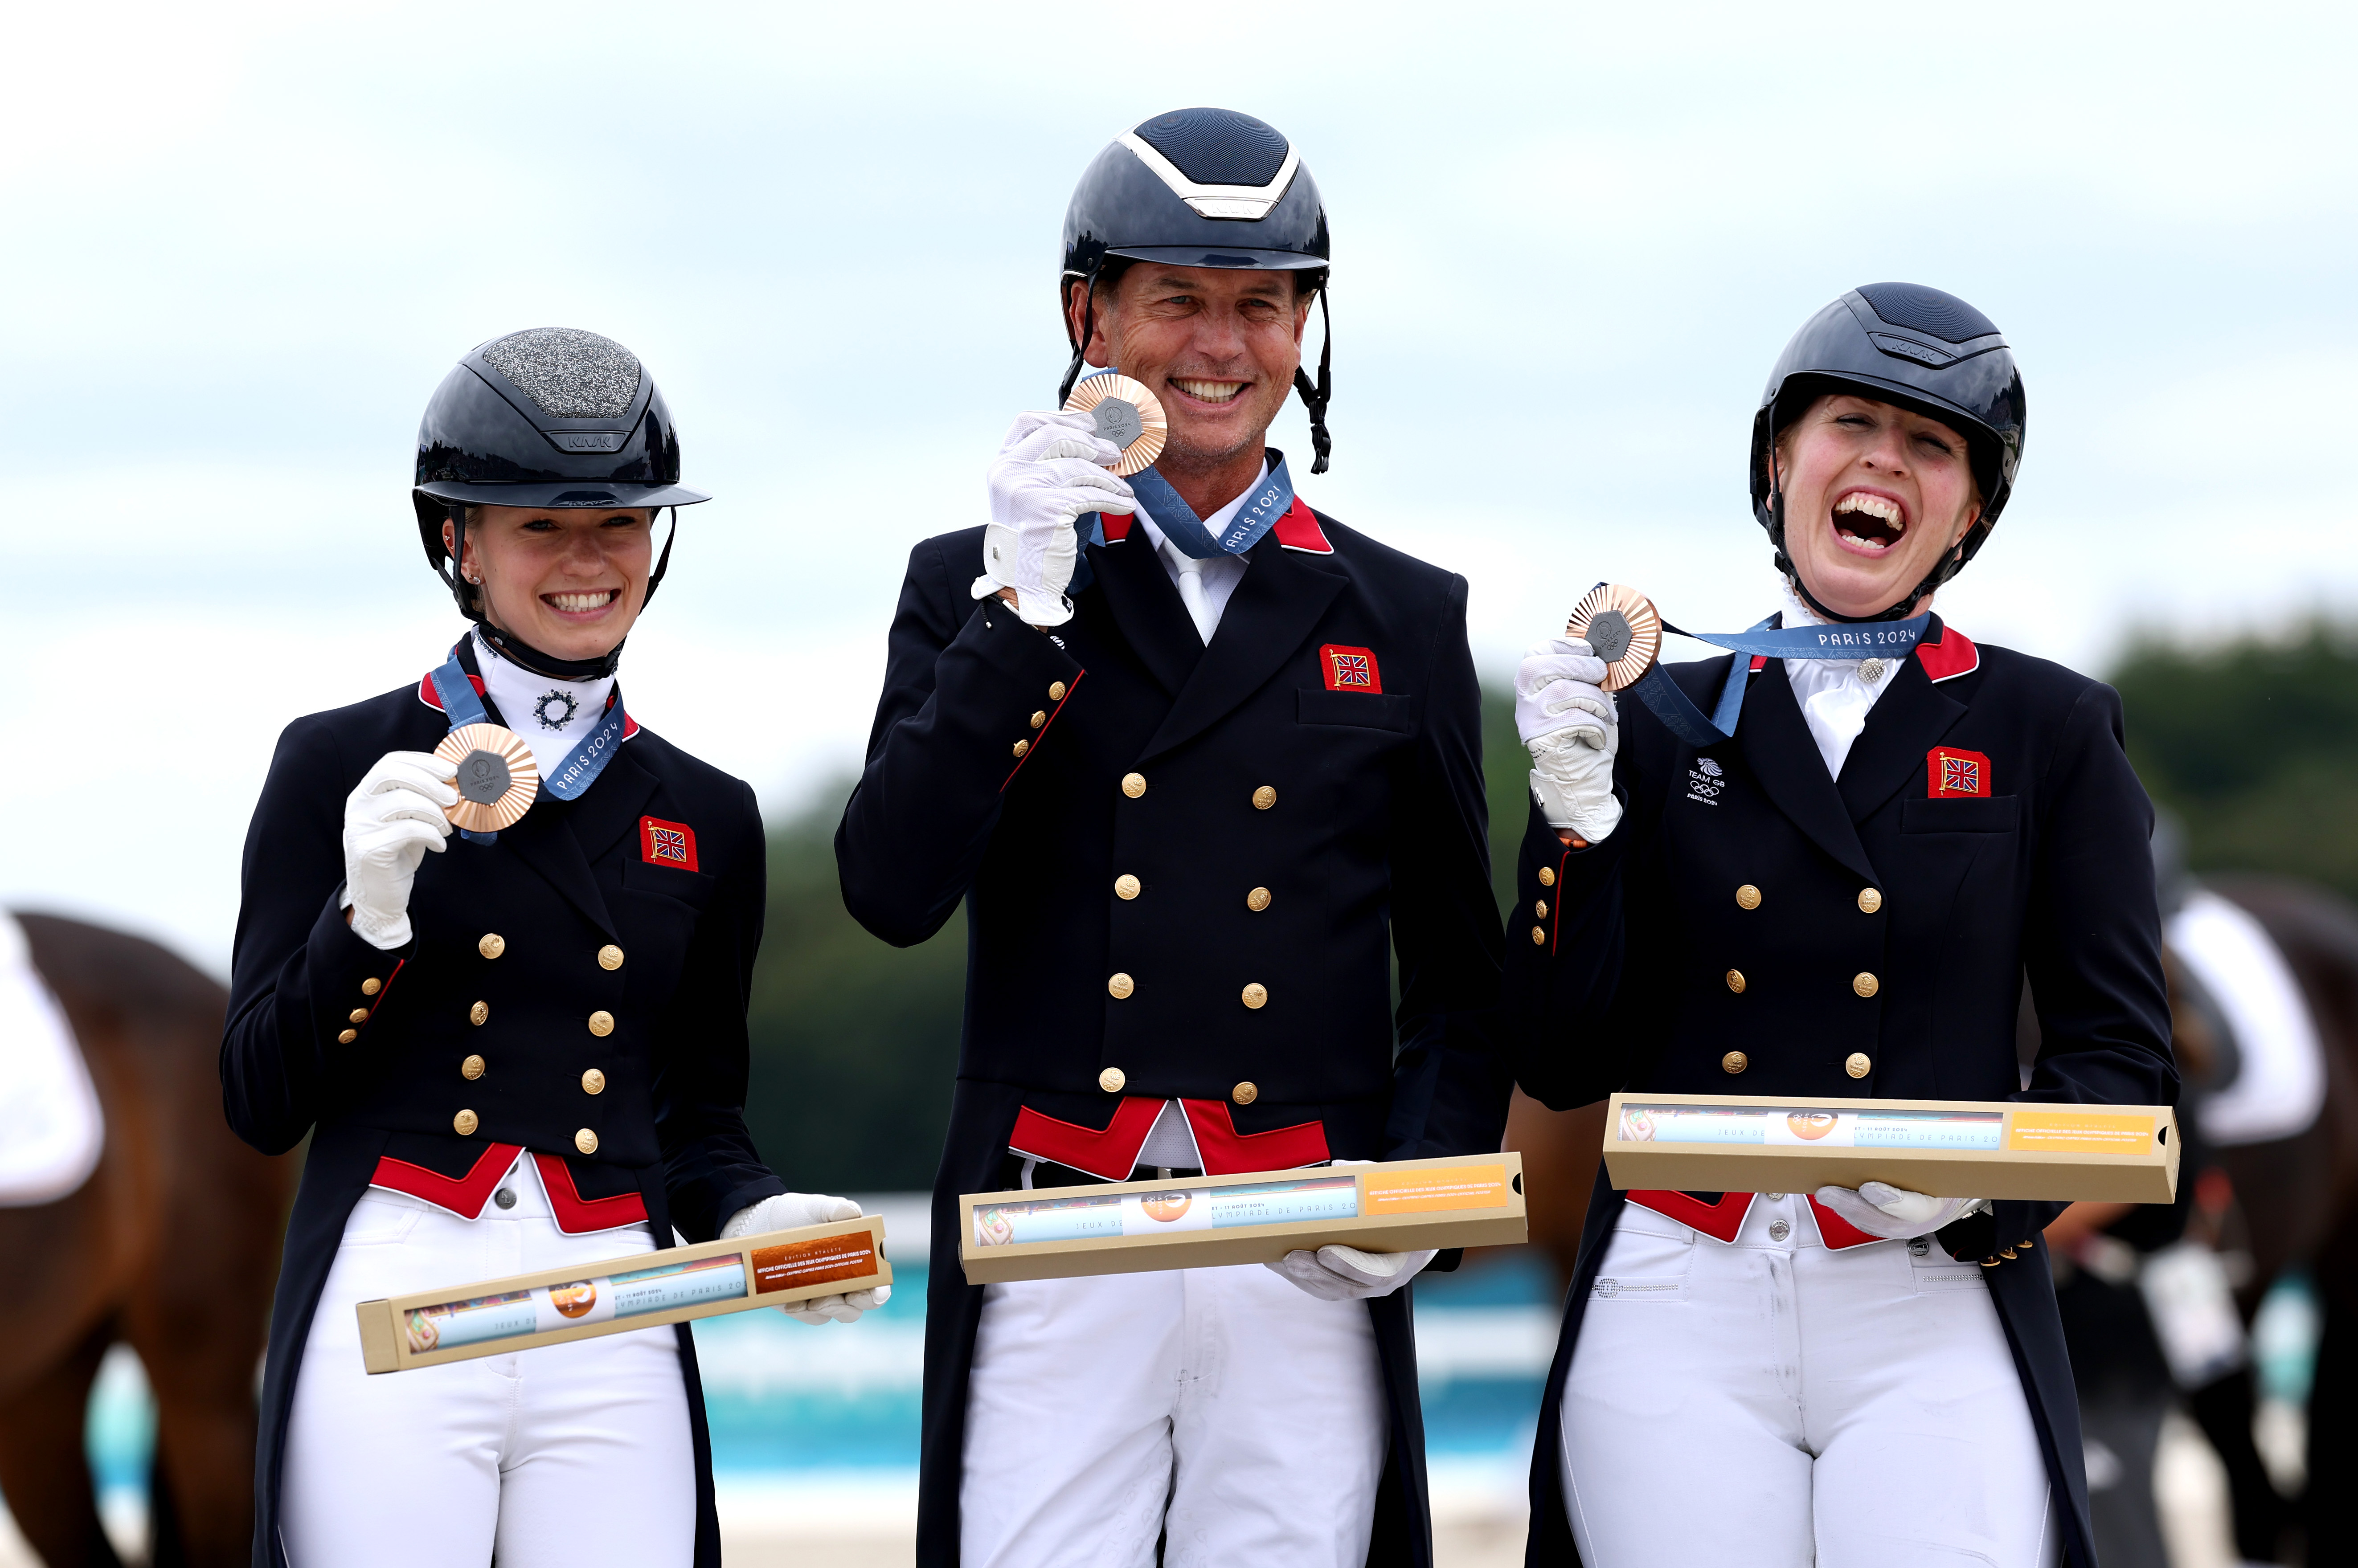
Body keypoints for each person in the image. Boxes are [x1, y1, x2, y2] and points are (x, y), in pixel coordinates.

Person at [836, 108, 1510, 1568]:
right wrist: (1021, 615)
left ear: (1302, 329)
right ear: (1090, 316)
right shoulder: (976, 582)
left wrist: (1422, 1185)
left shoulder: (1403, 614)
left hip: (1300, 1250)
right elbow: (889, 888)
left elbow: (1462, 981)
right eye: (1178, 301)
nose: (1222, 345)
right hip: (1054, 1237)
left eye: (1261, 306)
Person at [1506, 284, 2176, 1567]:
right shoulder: (1649, 716)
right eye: (1851, 423)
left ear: (1968, 508)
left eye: (1930, 446)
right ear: (1780, 460)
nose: (1884, 460)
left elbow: (2118, 1064)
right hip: (1675, 1288)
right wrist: (1572, 818)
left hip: (1928, 1294)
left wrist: (1978, 1185)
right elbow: (1557, 1056)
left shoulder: (2046, 728)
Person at [221, 327, 877, 1568]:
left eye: (620, 525)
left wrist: (754, 1209)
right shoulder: (336, 759)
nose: (590, 561)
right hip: (400, 1279)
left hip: (615, 1302)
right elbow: (259, 1099)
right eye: (542, 526)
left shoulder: (706, 812)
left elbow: (695, 1117)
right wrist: (362, 922)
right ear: (457, 541)